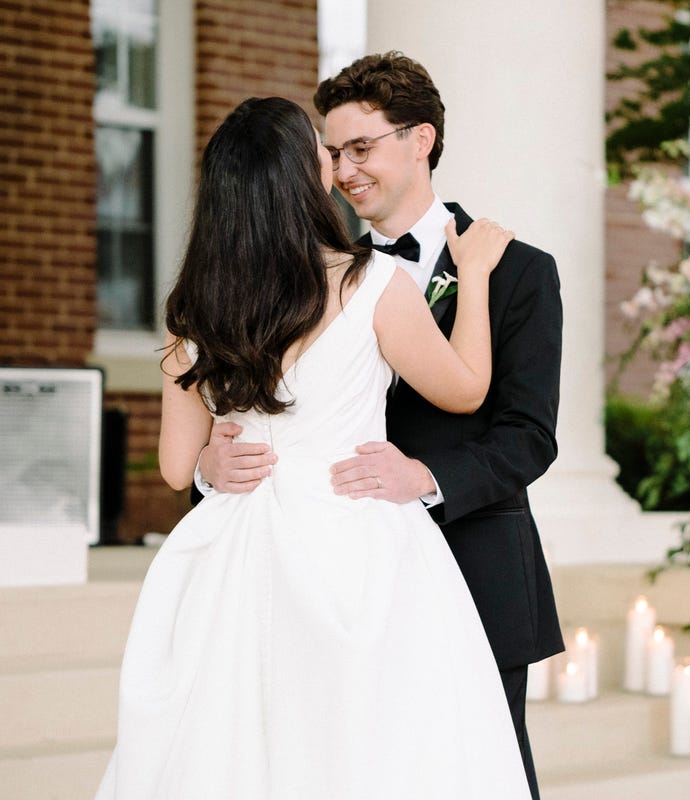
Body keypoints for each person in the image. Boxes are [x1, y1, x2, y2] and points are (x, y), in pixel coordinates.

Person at [94, 96, 532, 800]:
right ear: (305, 176)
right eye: (323, 151)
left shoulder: (193, 307)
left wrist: (210, 460)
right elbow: (466, 389)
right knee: (361, 743)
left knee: (238, 742)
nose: (336, 162)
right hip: (353, 537)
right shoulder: (372, 282)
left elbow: (177, 467)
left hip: (238, 548)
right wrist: (474, 277)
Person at [197, 52, 564, 798]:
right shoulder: (305, 278)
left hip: (474, 567)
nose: (342, 171)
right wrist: (210, 468)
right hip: (329, 585)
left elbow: (529, 434)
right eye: (331, 153)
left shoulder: (518, 270)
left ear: (420, 139)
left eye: (360, 148)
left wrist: (424, 477)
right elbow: (253, 408)